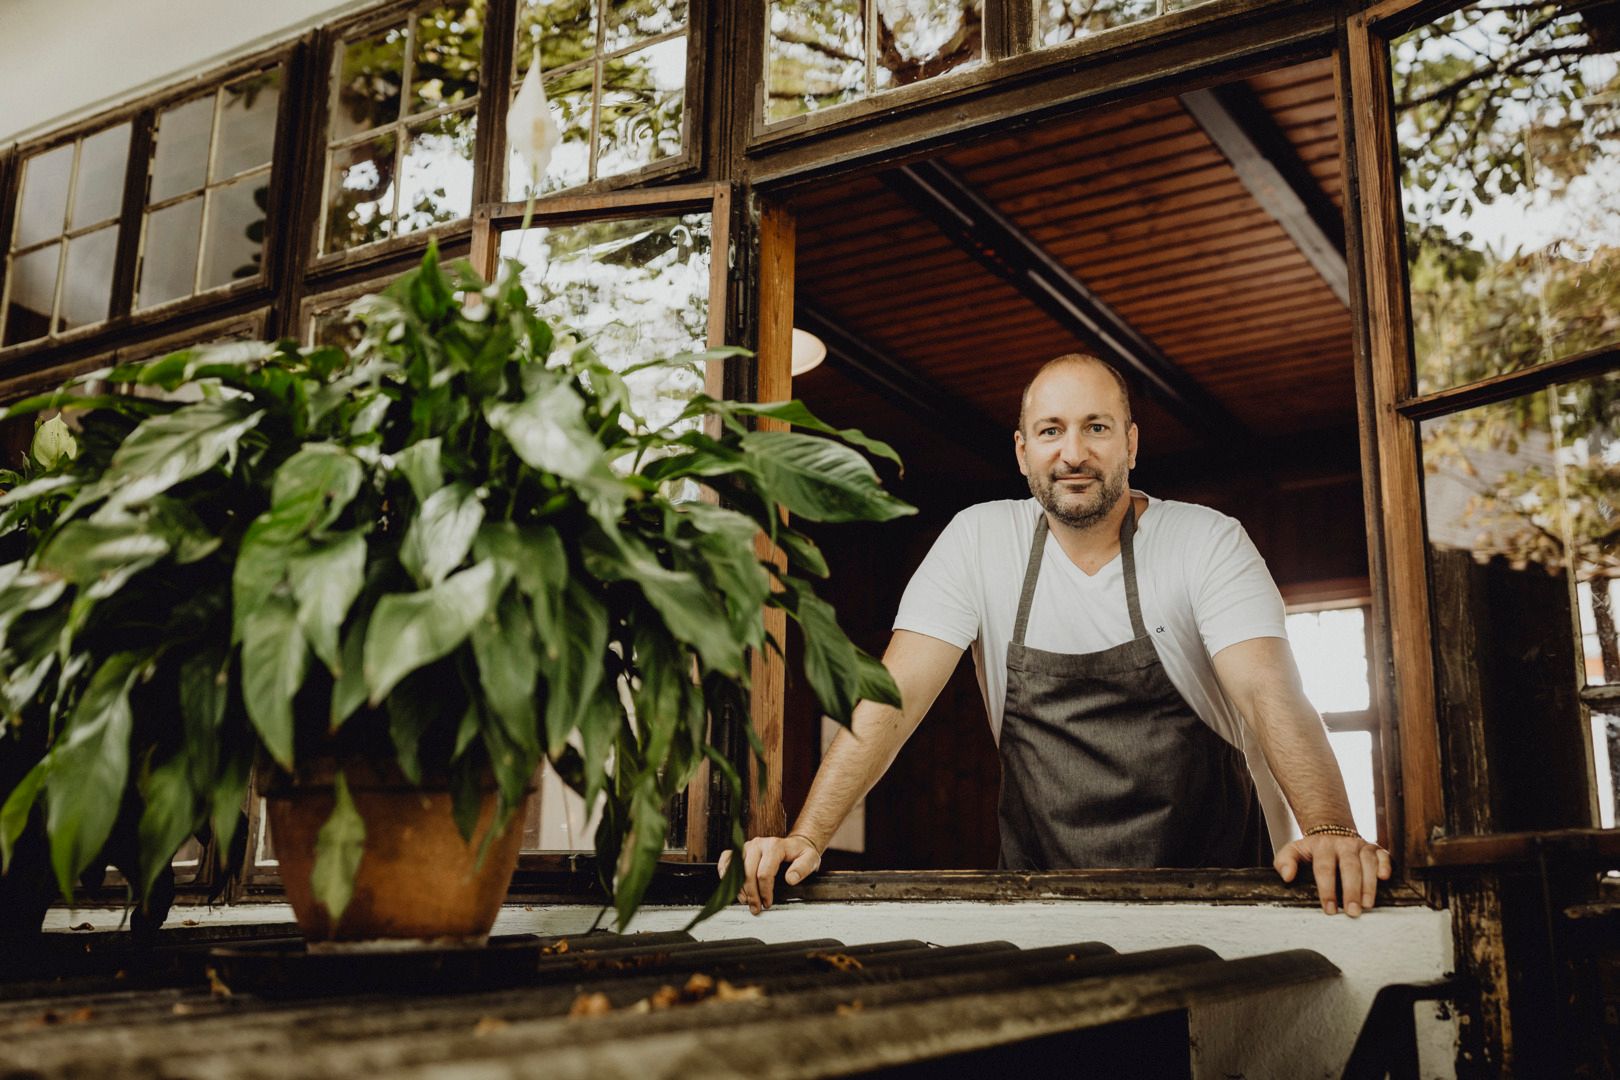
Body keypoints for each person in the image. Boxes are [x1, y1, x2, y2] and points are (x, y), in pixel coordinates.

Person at [725, 352, 1391, 917]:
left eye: (1095, 428)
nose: (1072, 453)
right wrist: (807, 835)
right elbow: (888, 703)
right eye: (1050, 431)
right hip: (1043, 910)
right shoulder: (978, 542)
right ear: (1022, 452)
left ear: (1131, 443)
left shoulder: (1206, 542)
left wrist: (1330, 829)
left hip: (1218, 903)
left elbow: (1269, 692)